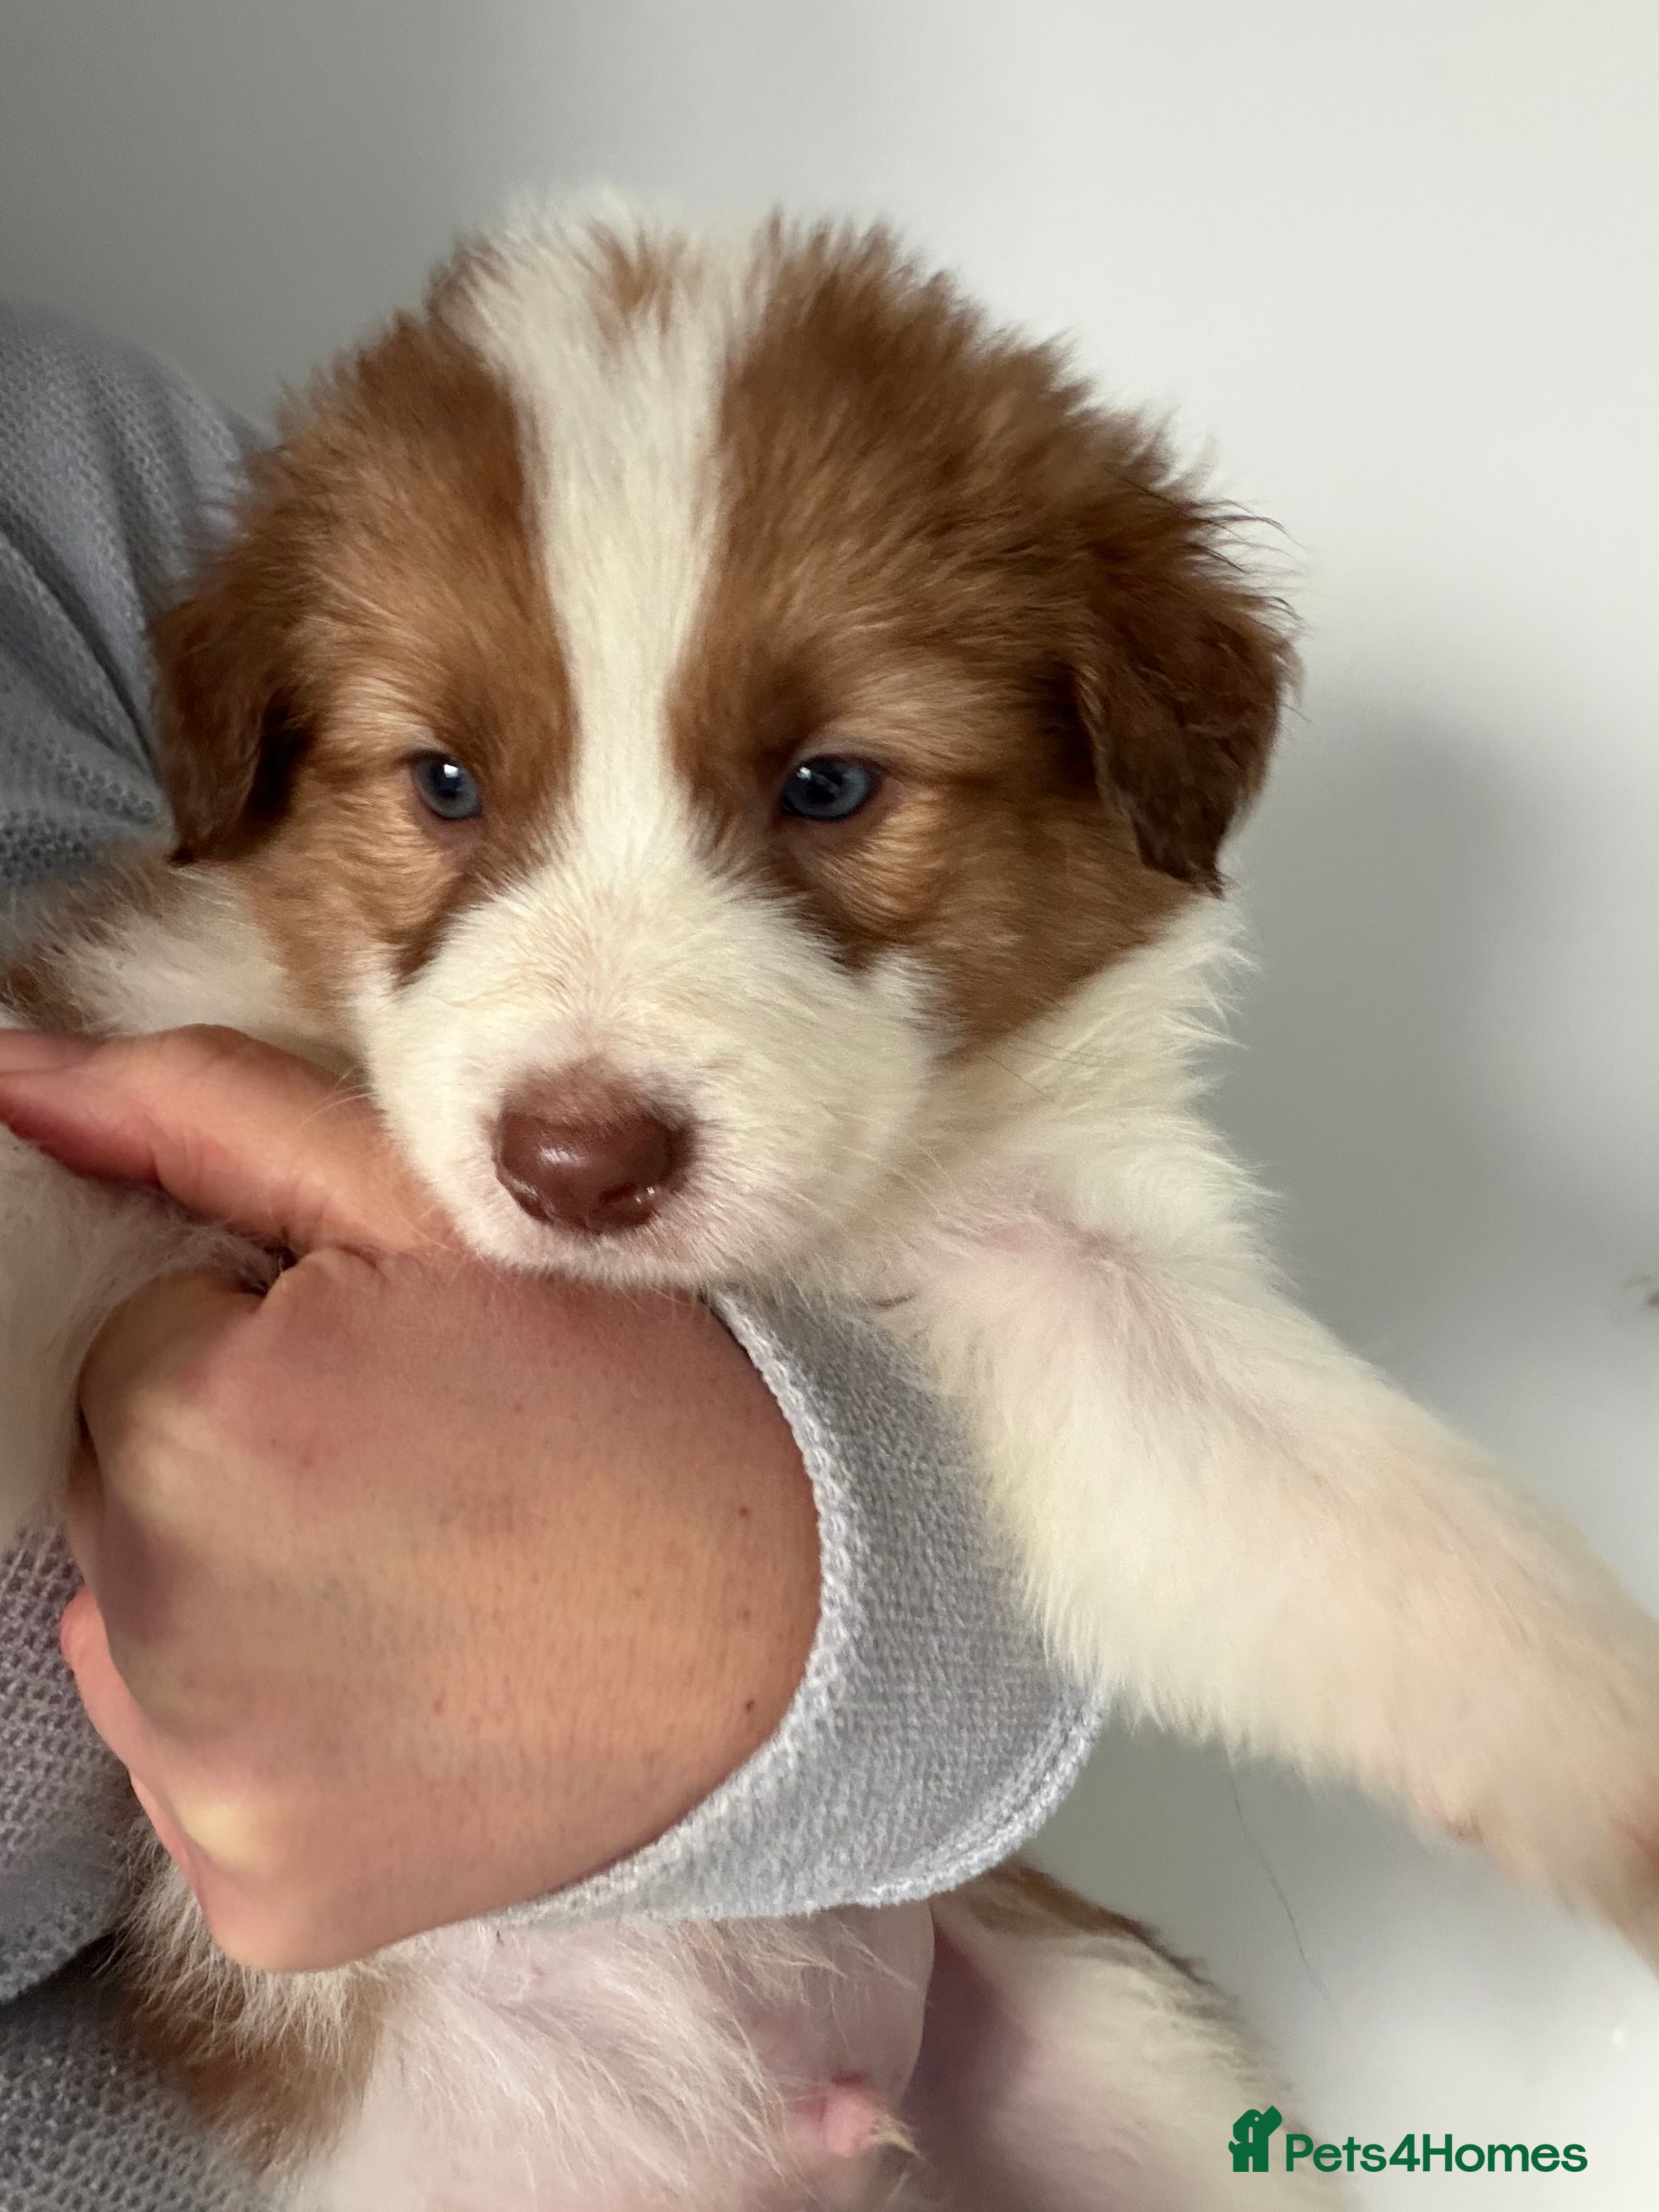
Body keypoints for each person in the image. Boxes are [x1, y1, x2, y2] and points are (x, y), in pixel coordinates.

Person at [0, 299, 1098, 2207]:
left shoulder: (71, 475)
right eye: (447, 791)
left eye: (820, 790)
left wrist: (799, 1608)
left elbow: (1034, 1454)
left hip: (930, 1968)